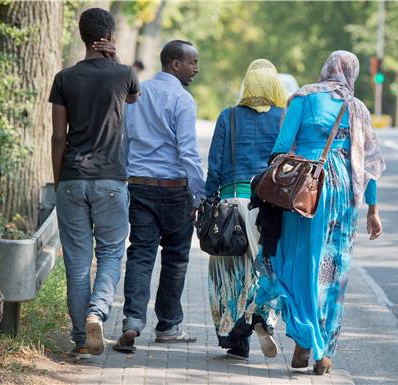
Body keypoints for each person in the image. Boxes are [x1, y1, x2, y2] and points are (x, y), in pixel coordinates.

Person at [255, 51, 385, 374]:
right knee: (332, 268)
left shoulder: (302, 97)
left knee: (299, 260)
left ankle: (303, 338)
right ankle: (322, 350)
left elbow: (281, 148)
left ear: (325, 68)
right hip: (342, 192)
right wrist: (373, 210)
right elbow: (368, 165)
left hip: (305, 190)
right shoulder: (357, 108)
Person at [49, 8, 140, 359]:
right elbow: (133, 97)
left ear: (82, 35)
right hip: (111, 181)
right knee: (111, 253)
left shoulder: (64, 78)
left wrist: (59, 181)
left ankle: (80, 339)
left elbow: (59, 137)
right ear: (110, 36)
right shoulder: (123, 75)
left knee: (76, 260)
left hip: (72, 178)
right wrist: (118, 59)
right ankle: (96, 312)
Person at [112, 40, 205, 353]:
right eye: (192, 62)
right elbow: (189, 152)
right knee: (176, 257)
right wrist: (199, 193)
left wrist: (126, 176)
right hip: (174, 189)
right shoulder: (182, 99)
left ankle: (132, 322)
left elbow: (125, 140)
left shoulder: (136, 94)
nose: (196, 68)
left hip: (138, 185)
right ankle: (167, 326)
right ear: (174, 64)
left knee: (140, 253)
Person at [204, 59, 288, 361]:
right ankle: (261, 320)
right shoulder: (283, 118)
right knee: (265, 269)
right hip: (268, 209)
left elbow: (215, 166)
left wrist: (206, 200)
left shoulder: (228, 117)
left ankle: (236, 341)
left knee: (228, 275)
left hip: (231, 206)